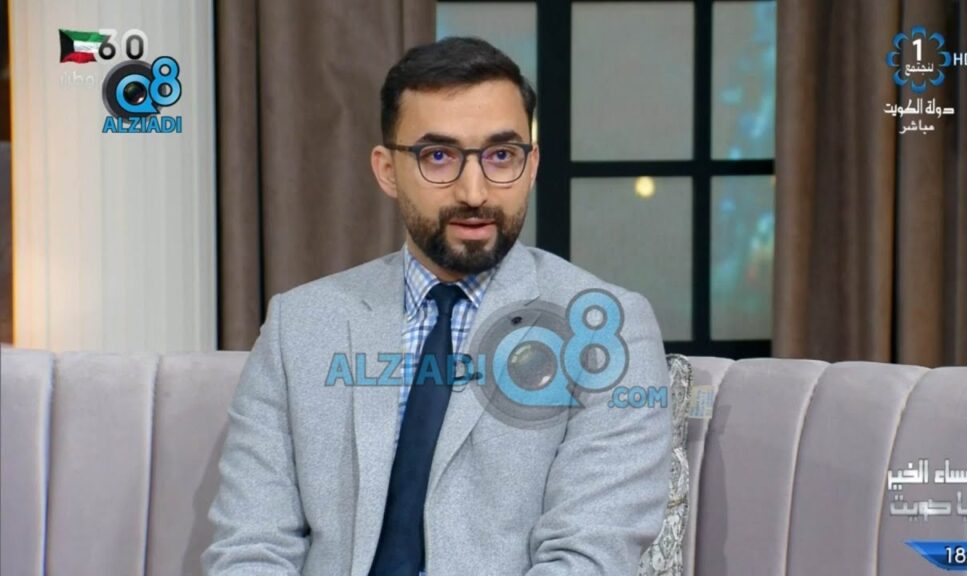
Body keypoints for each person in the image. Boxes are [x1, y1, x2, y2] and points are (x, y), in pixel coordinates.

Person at [203, 36, 671, 576]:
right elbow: (251, 546)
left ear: (532, 164)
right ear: (386, 170)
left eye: (501, 156)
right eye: (439, 157)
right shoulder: (300, 325)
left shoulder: (605, 330)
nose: (474, 191)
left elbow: (589, 558)